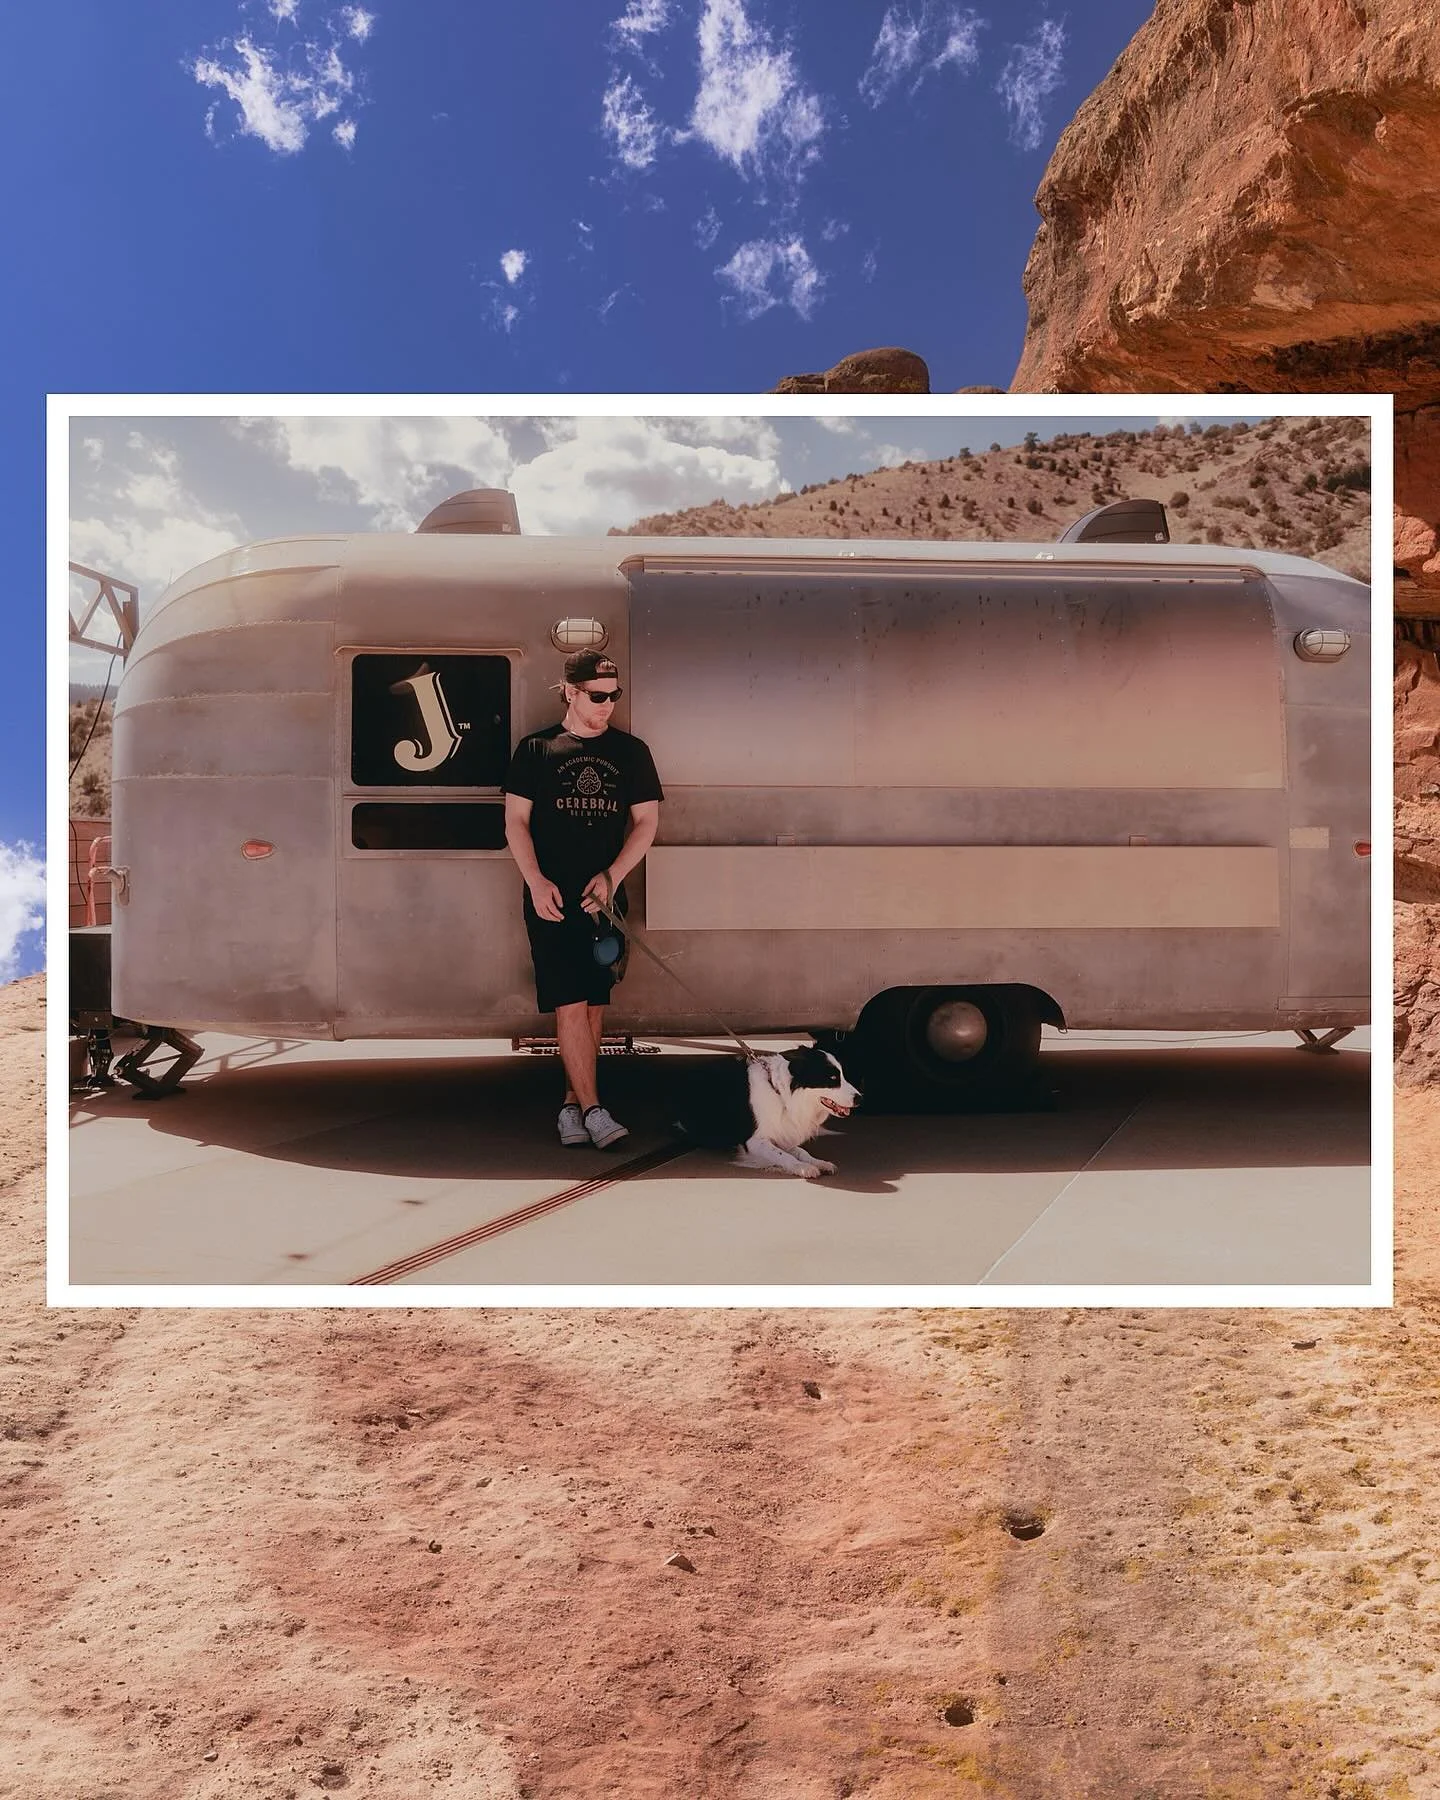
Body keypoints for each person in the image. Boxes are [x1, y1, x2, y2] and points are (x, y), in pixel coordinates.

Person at [503, 651, 664, 1149]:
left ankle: (572, 1106)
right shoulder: (537, 749)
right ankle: (595, 1111)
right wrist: (535, 881)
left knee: (593, 1006)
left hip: (605, 901)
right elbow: (515, 823)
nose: (607, 705)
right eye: (597, 696)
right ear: (570, 692)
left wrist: (612, 877)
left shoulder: (631, 752)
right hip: (551, 899)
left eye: (614, 695)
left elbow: (646, 824)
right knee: (569, 1002)